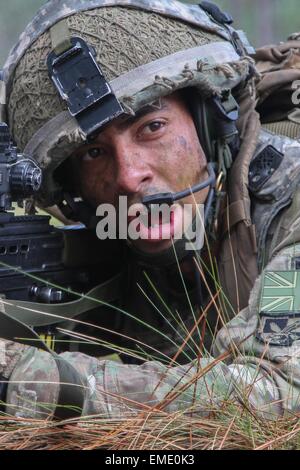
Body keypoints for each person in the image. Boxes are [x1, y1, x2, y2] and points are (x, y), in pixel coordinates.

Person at [0, 0, 300, 420]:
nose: (127, 176)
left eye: (151, 128)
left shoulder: (293, 206)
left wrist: (37, 382)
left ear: (208, 119)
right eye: (94, 153)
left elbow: (274, 391)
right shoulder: (92, 234)